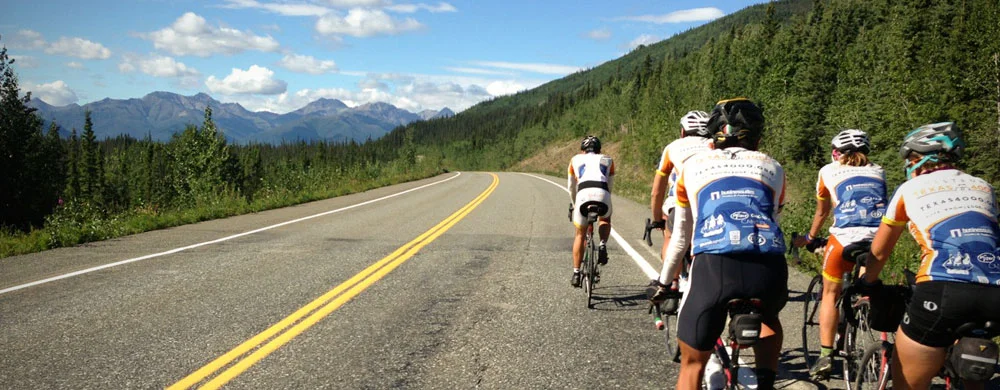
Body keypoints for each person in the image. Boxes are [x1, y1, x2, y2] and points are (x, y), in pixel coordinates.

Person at [861, 122, 1000, 390]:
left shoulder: (909, 188)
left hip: (942, 287)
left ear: (917, 160)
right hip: (995, 291)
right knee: (972, 371)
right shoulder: (984, 187)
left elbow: (879, 251)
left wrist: (868, 282)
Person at [661, 98, 788, 390]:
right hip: (768, 269)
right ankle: (766, 382)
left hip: (714, 267)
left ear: (713, 136)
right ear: (757, 138)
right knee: (769, 317)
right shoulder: (773, 167)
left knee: (692, 365)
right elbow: (774, 218)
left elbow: (681, 238)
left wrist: (664, 283)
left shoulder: (691, 167)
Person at [792, 129, 888, 379]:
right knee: (866, 285)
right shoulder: (879, 171)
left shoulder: (828, 171)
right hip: (878, 241)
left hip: (844, 239)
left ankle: (826, 355)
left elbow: (822, 211)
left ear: (836, 153)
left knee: (830, 293)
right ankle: (863, 307)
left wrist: (809, 238)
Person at [649, 110, 714, 307]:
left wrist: (657, 219)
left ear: (683, 132)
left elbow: (657, 191)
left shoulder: (673, 147)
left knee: (671, 235)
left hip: (680, 203)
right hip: (710, 203)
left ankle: (672, 282)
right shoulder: (716, 146)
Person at [568, 135, 615, 288]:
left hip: (582, 195)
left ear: (582, 150)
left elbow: (571, 187)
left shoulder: (575, 159)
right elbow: (610, 185)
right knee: (605, 219)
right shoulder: (608, 160)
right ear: (599, 150)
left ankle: (576, 273)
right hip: (602, 193)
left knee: (580, 234)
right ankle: (602, 244)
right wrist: (604, 198)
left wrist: (574, 204)